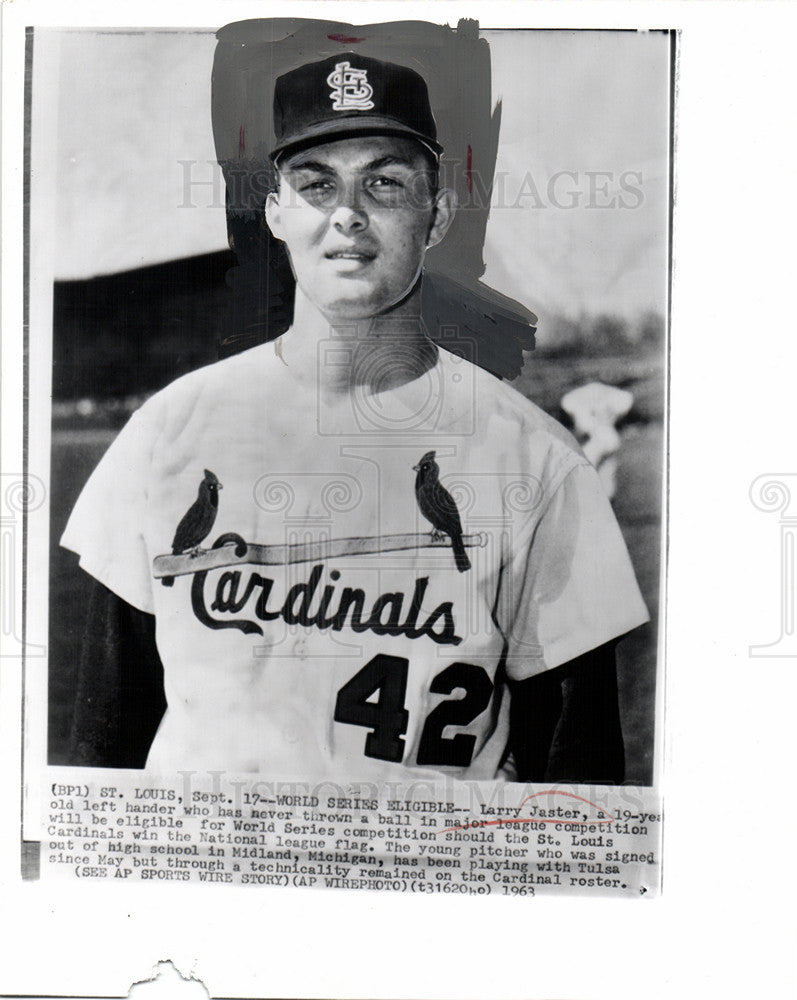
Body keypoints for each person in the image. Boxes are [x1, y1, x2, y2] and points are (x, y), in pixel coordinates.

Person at [61, 52, 648, 783]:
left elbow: (577, 783)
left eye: (384, 182)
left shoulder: (537, 462)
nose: (347, 213)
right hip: (207, 879)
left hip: (425, 883)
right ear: (274, 212)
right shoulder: (167, 432)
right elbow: (100, 754)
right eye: (314, 185)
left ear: (437, 215)